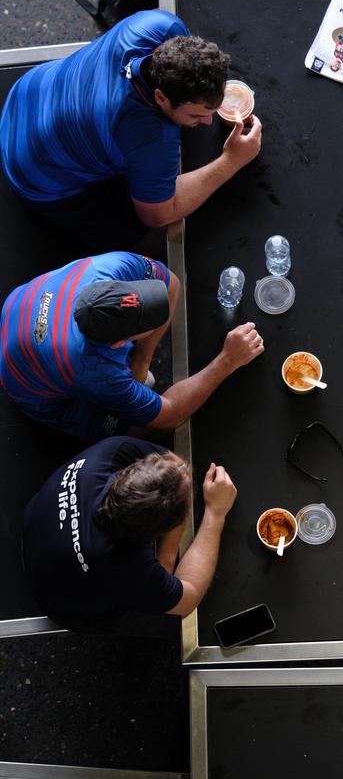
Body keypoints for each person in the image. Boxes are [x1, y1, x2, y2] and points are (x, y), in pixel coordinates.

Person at [0, 9, 262, 250]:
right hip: (33, 175)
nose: (207, 121)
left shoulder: (160, 25)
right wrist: (232, 160)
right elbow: (158, 213)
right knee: (129, 231)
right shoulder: (150, 138)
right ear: (160, 97)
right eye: (196, 114)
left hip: (25, 97)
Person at [0, 250, 264, 441]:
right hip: (25, 383)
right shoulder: (95, 370)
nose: (155, 302)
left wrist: (141, 362)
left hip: (19, 315)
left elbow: (170, 284)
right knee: (132, 430)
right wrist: (227, 360)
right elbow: (169, 417)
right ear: (118, 344)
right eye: (146, 322)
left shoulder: (113, 266)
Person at [22, 435, 237, 630]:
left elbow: (175, 463)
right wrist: (215, 512)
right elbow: (188, 599)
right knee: (164, 620)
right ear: (156, 533)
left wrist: (164, 564)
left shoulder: (112, 452)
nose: (184, 472)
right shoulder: (124, 565)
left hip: (36, 524)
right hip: (60, 600)